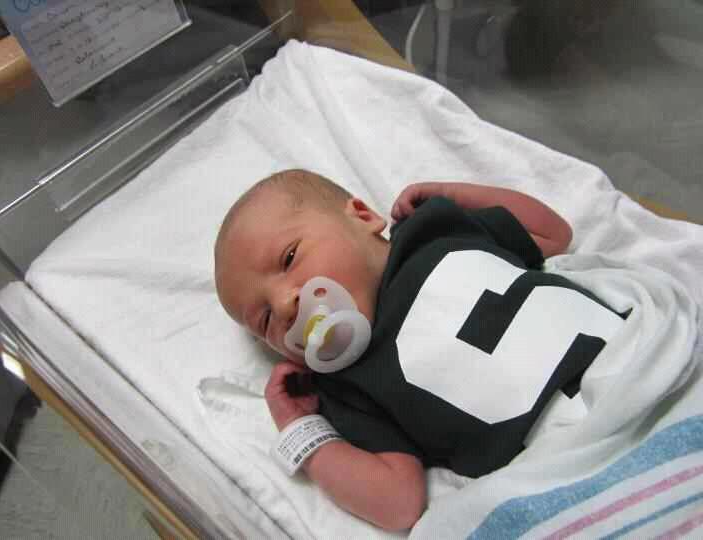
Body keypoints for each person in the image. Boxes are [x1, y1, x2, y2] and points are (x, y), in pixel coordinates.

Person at [214, 169, 626, 531]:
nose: (285, 304)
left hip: (630, 356)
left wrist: (453, 195)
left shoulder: (433, 229)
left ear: (363, 216)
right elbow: (399, 505)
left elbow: (554, 235)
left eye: (289, 258)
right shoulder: (347, 385)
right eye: (265, 319)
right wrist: (300, 430)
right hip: (576, 460)